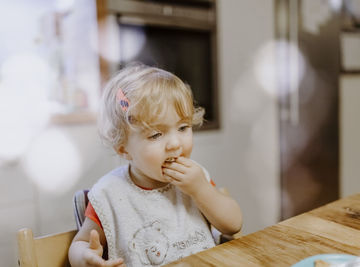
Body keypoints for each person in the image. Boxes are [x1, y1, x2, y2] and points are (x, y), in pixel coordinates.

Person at [68, 63, 242, 267]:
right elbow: (81, 243)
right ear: (123, 148)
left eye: (183, 127)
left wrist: (201, 189)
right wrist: (85, 258)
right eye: (156, 134)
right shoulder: (111, 194)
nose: (175, 143)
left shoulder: (196, 178)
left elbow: (233, 225)